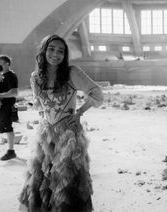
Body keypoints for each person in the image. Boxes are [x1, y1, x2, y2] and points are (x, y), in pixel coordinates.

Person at [19, 34, 103, 211]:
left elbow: (97, 93)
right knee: (42, 178)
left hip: (68, 134)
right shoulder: (36, 77)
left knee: (67, 181)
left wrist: (80, 112)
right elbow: (38, 103)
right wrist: (45, 120)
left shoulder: (72, 73)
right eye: (51, 49)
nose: (55, 54)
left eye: (61, 51)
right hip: (45, 135)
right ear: (43, 51)